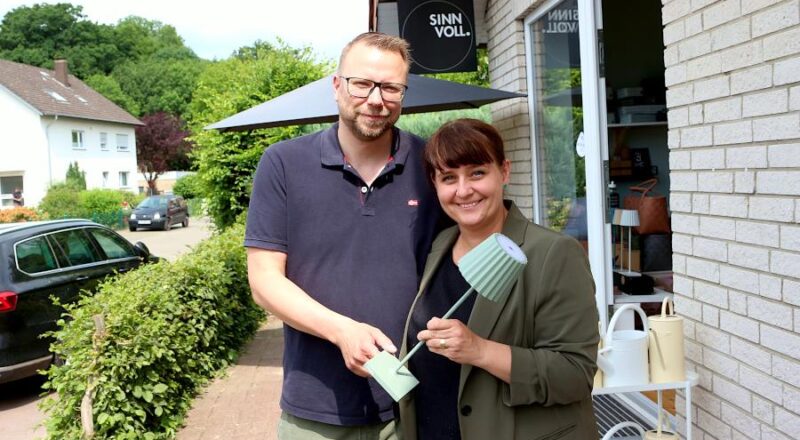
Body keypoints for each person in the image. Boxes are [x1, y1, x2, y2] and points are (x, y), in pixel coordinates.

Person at [245, 32, 440, 439]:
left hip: (411, 404)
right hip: (314, 407)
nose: (376, 99)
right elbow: (264, 281)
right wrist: (341, 331)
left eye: (390, 87)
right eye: (362, 83)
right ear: (337, 86)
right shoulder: (283, 164)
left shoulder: (431, 166)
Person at [398, 119, 599, 440]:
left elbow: (574, 374)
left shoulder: (554, 253)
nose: (463, 190)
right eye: (449, 178)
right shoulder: (439, 245)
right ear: (435, 185)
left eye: (477, 172)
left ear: (503, 171)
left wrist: (480, 350)